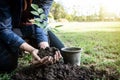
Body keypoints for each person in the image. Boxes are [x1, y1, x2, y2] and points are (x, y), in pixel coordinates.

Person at [0, 0, 64, 73]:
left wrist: (44, 50)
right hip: (12, 29)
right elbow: (4, 29)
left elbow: (41, 23)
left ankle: (24, 44)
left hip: (31, 28)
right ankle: (20, 48)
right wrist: (31, 49)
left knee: (62, 54)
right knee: (6, 66)